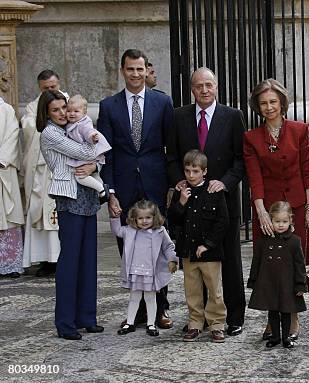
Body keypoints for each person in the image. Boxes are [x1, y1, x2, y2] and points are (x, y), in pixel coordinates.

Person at [166, 67, 246, 336]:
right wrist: (178, 181)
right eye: (199, 85)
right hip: (191, 207)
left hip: (223, 202)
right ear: (192, 89)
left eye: (208, 85)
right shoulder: (178, 116)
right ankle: (198, 319)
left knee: (230, 261)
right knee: (196, 265)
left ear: (217, 87)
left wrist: (225, 182)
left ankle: (234, 317)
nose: (204, 90)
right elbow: (172, 156)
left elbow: (240, 159)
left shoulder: (233, 116)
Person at [98, 49, 175, 330]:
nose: (135, 74)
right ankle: (140, 310)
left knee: (157, 246)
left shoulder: (162, 102)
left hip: (155, 184)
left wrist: (170, 185)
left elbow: (171, 148)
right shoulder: (109, 106)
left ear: (146, 70)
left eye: (140, 69)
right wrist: (110, 191)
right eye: (130, 69)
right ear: (123, 71)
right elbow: (104, 153)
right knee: (129, 249)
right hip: (124, 185)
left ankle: (161, 308)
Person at [243, 79, 309, 340]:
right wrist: (261, 212)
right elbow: (255, 178)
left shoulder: (299, 130)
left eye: (273, 101)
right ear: (257, 107)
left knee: (292, 265)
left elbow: (308, 169)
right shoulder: (251, 138)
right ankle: (272, 319)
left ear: (282, 103)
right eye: (263, 103)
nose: (269, 107)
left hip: (295, 207)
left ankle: (293, 316)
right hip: (269, 211)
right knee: (269, 267)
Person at [38, 90, 103, 340]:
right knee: (70, 260)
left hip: (86, 194)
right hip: (68, 197)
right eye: (55, 110)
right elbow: (88, 152)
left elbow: (93, 157)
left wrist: (96, 163)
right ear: (47, 113)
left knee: (88, 259)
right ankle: (65, 322)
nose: (63, 113)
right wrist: (96, 156)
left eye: (64, 108)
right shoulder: (50, 133)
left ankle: (87, 317)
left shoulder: (72, 126)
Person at [167, 150, 230, 343]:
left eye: (195, 171)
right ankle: (195, 323)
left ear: (204, 171)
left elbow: (222, 222)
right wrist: (182, 203)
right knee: (192, 290)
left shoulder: (213, 191)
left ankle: (217, 324)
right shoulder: (181, 191)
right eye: (187, 171)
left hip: (209, 252)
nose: (191, 175)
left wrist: (208, 244)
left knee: (214, 290)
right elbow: (173, 219)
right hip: (188, 250)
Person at [21, 69, 67, 277]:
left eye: (53, 87)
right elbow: (30, 127)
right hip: (41, 169)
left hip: (60, 169)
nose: (50, 90)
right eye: (46, 88)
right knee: (40, 211)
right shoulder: (33, 107)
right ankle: (46, 259)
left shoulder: (65, 102)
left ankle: (61, 258)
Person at [112, 200, 178, 337]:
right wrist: (114, 216)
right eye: (140, 218)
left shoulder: (159, 231)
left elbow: (168, 246)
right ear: (134, 218)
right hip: (135, 271)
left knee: (150, 297)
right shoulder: (129, 231)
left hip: (151, 272)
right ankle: (130, 323)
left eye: (148, 217)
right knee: (134, 297)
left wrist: (172, 259)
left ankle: (151, 323)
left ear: (154, 217)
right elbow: (117, 231)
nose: (144, 221)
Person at [247, 201, 307, 349]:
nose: (281, 225)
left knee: (286, 310)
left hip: (287, 283)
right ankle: (275, 336)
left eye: (284, 221)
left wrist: (300, 284)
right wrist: (253, 280)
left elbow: (300, 265)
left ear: (291, 220)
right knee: (272, 310)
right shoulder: (264, 241)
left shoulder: (294, 241)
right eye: (277, 221)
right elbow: (257, 261)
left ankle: (286, 337)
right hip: (269, 281)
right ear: (271, 220)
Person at [65, 95, 111, 200]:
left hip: (88, 154)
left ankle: (101, 190)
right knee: (94, 175)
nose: (72, 114)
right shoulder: (72, 123)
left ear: (84, 113)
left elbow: (88, 132)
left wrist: (92, 138)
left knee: (79, 176)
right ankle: (103, 187)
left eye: (76, 111)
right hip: (87, 156)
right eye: (69, 111)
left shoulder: (83, 124)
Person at [0, 98, 24, 278]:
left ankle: (9, 263)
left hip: (3, 169)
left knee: (8, 216)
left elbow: (12, 136)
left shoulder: (6, 110)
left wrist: (2, 159)